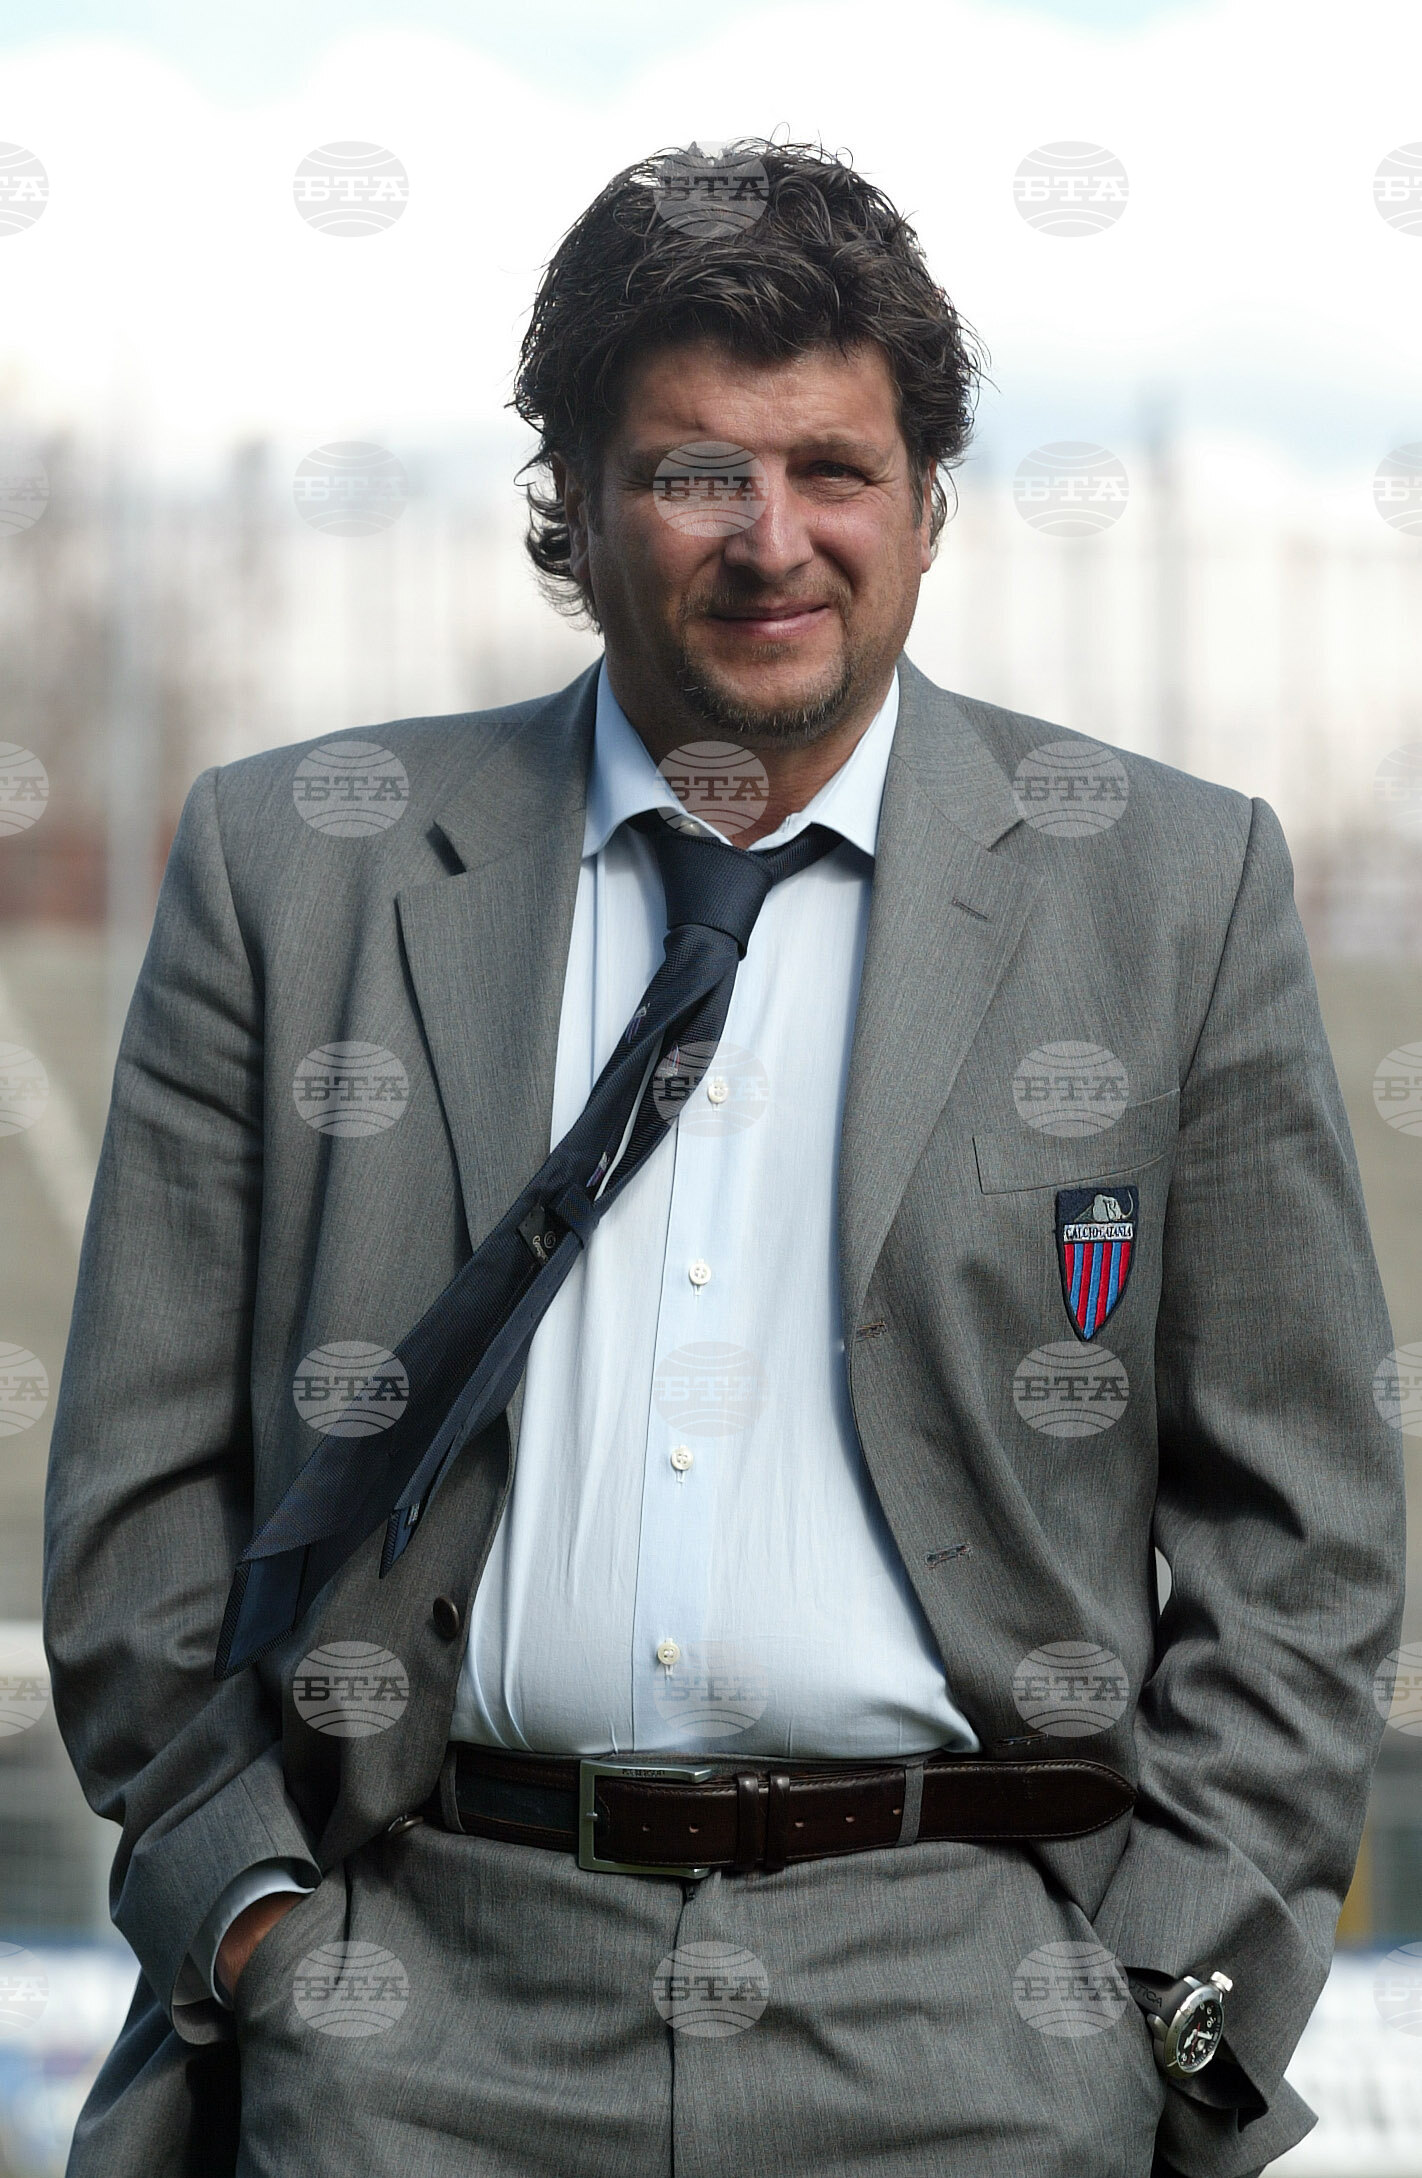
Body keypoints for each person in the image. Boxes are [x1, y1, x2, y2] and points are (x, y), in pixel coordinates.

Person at [44, 141, 1404, 2178]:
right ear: (574, 505)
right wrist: (255, 1927)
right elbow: (136, 1503)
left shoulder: (1171, 892)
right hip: (421, 2022)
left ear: (926, 505)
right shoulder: (289, 871)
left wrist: (1154, 1989)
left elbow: (1305, 1526)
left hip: (982, 2032)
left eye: (835, 470)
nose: (776, 542)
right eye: (697, 474)